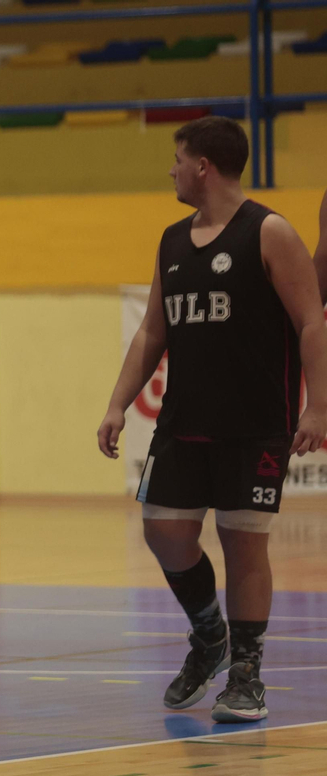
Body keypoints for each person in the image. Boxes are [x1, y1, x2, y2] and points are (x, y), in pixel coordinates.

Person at [99, 116, 326, 724]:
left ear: (203, 166)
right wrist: (119, 402)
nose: (170, 170)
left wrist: (319, 406)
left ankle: (247, 675)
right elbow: (152, 329)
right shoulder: (172, 240)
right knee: (163, 533)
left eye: (176, 159)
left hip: (255, 422)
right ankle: (210, 635)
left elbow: (310, 321)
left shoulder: (269, 231)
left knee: (242, 545)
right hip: (183, 421)